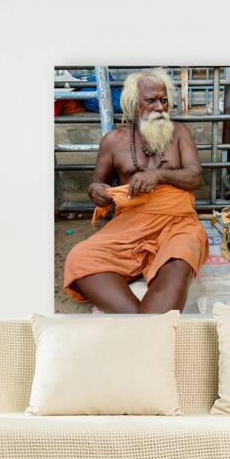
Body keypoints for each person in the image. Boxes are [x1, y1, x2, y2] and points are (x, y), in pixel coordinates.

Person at [63, 68, 208, 313]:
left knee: (180, 257)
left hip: (178, 222)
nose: (160, 107)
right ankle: (144, 324)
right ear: (133, 105)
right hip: (130, 224)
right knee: (80, 257)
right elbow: (95, 184)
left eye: (164, 100)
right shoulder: (113, 141)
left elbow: (195, 177)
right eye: (151, 100)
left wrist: (160, 174)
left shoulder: (180, 133)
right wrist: (97, 191)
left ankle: (143, 327)